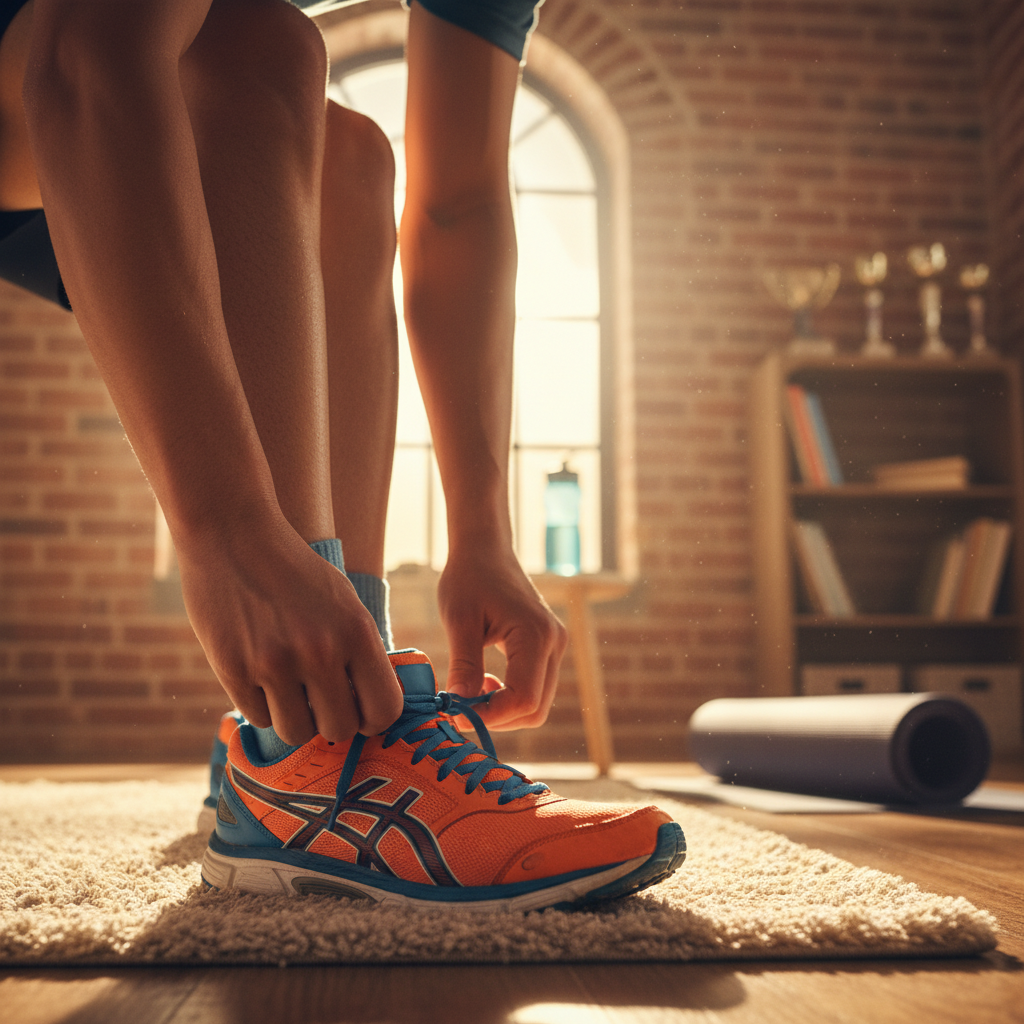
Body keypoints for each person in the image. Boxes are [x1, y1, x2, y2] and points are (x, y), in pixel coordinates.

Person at [1, 0, 685, 908]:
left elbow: (460, 202)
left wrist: (482, 529)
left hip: (108, 99)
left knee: (352, 158)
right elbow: (85, 51)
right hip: (63, 83)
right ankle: (309, 747)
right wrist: (228, 533)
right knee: (258, 45)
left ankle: (307, 727)